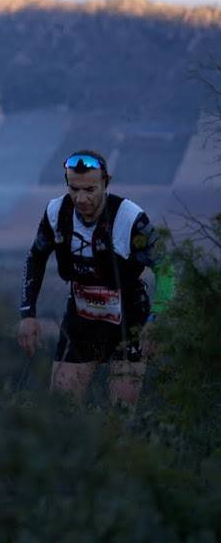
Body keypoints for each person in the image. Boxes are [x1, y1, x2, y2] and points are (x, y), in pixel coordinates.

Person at [16, 150, 175, 405]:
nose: (81, 198)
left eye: (90, 190)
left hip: (128, 321)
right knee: (61, 411)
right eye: (74, 189)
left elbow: (166, 268)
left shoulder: (130, 217)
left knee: (119, 421)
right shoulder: (57, 212)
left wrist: (157, 319)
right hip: (81, 320)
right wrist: (27, 314)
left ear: (106, 182)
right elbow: (35, 257)